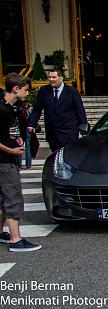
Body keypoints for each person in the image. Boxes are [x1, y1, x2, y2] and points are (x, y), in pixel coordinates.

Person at [0, 73, 41, 251]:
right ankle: (16, 240)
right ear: (16, 89)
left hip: (7, 159)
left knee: (2, 200)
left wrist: (18, 140)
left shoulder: (12, 108)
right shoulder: (2, 109)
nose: (27, 93)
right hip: (4, 161)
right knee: (13, 197)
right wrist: (11, 150)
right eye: (25, 90)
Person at [27, 68, 88, 153]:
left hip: (69, 133)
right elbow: (37, 109)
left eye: (54, 77)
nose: (51, 79)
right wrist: (31, 124)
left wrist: (84, 126)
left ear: (61, 78)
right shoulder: (44, 91)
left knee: (68, 157)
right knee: (55, 159)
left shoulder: (72, 91)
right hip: (52, 134)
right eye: (50, 77)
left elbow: (80, 110)